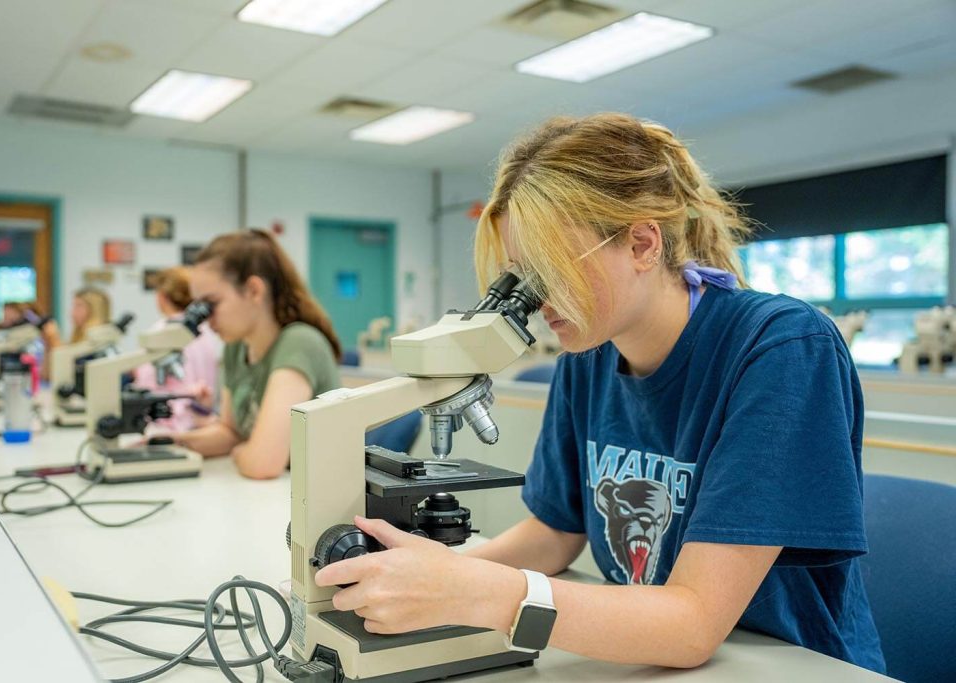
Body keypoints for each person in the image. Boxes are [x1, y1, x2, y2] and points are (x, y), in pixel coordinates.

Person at [313, 113, 886, 673]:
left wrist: (478, 590)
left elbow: (692, 624)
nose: (536, 299)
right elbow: (554, 534)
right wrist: (425, 574)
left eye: (552, 266)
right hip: (646, 655)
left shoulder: (781, 347)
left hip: (786, 663)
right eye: (523, 272)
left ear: (641, 243)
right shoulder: (587, 355)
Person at [172, 229, 341, 479]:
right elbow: (230, 432)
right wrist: (170, 445)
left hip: (315, 498)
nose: (206, 320)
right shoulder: (235, 347)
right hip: (272, 494)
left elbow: (263, 463)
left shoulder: (299, 342)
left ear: (253, 290)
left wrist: (242, 451)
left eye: (211, 304)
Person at [133, 267, 221, 432]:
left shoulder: (160, 332)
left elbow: (146, 385)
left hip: (169, 426)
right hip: (202, 422)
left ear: (162, 297)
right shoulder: (208, 333)